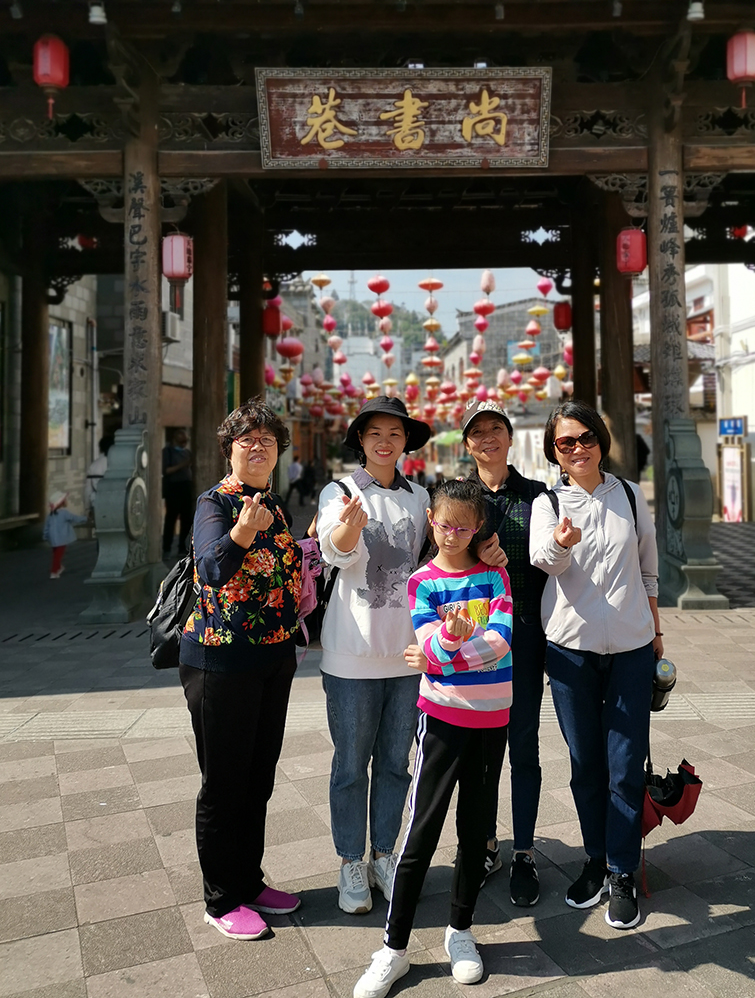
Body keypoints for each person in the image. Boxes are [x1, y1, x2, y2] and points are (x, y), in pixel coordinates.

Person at [354, 478, 512, 998]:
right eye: (444, 524)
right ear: (431, 521)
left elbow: (502, 642)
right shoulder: (422, 581)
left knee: (475, 831)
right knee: (420, 832)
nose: (452, 534)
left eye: (463, 528)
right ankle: (393, 948)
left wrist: (444, 659)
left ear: (478, 527)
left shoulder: (495, 576)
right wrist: (448, 642)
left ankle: (460, 931)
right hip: (442, 719)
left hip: (492, 719)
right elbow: (429, 643)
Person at [529, 399, 662, 931]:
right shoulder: (547, 502)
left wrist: (655, 631)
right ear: (553, 451)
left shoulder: (629, 494)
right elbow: (543, 559)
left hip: (631, 646)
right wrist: (561, 543)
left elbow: (648, 566)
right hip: (569, 649)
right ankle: (595, 859)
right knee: (586, 762)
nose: (578, 448)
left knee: (625, 765)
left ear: (601, 441)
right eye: (566, 442)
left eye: (586, 438)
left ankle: (622, 870)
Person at [179, 397, 308, 941]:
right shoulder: (215, 503)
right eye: (247, 440)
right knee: (224, 783)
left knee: (258, 778)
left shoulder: (274, 503)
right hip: (222, 660)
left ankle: (249, 882)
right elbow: (210, 568)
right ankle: (221, 898)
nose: (258, 448)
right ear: (229, 449)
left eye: (268, 441)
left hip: (273, 658)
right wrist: (240, 534)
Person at [317, 396, 431, 917]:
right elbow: (335, 551)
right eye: (375, 433)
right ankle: (350, 861)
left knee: (395, 764)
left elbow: (434, 561)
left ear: (405, 442)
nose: (385, 441)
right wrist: (350, 525)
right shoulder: (340, 492)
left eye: (395, 433)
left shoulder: (419, 497)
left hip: (407, 656)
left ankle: (384, 854)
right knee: (350, 766)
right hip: (352, 655)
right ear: (360, 441)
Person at [460, 398, 548, 907]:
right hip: (476, 640)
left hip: (528, 636)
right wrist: (475, 552)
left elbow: (552, 562)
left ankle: (525, 850)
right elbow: (439, 556)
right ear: (467, 444)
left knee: (524, 746)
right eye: (478, 431)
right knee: (481, 751)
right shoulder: (458, 497)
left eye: (496, 428)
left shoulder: (538, 496)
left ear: (511, 437)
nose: (488, 438)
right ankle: (486, 843)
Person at [163, 428, 193, 558]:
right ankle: (166, 548)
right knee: (171, 518)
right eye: (182, 440)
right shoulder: (167, 452)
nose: (184, 443)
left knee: (186, 519)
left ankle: (182, 548)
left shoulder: (187, 452)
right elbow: (166, 470)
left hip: (186, 486)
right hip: (173, 487)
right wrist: (182, 465)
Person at [44, 491, 87, 578]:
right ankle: (54, 571)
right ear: (61, 503)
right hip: (61, 538)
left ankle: (59, 567)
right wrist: (85, 518)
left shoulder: (50, 515)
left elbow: (46, 527)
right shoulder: (64, 513)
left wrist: (45, 536)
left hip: (52, 539)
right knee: (58, 556)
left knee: (56, 554)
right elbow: (74, 518)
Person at [83, 433, 114, 521]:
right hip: (114, 504)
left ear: (100, 448)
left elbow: (88, 490)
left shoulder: (93, 466)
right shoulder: (116, 465)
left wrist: (87, 508)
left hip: (97, 503)